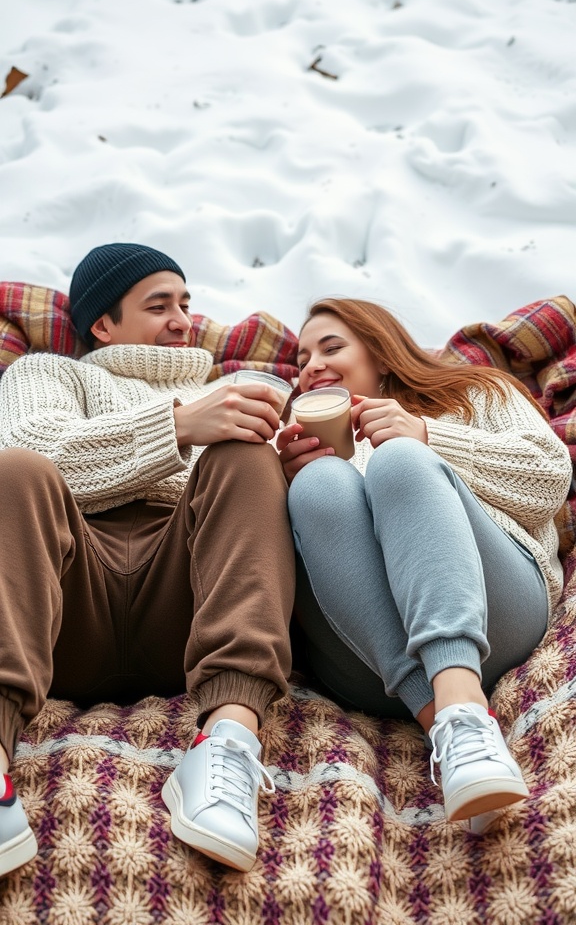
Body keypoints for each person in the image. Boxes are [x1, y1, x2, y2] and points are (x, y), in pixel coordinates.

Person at [0, 242, 296, 876]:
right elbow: (35, 444)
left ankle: (227, 744)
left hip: (184, 604)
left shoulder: (227, 392)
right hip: (64, 607)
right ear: (102, 323)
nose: (183, 320)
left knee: (247, 457)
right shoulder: (50, 372)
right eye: (158, 304)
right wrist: (181, 426)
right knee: (13, 470)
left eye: (186, 304)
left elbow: (261, 524)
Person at [277, 298, 572, 828]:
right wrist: (284, 482)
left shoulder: (477, 392)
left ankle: (460, 705)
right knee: (319, 484)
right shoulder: (293, 442)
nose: (311, 365)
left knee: (400, 459)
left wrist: (429, 437)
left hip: (495, 612)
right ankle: (456, 734)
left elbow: (549, 479)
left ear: (382, 351)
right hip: (368, 667)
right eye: (301, 359)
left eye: (331, 346)